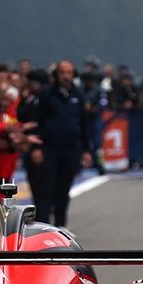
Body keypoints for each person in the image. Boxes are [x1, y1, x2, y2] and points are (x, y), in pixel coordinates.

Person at [30, 60, 93, 227]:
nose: (66, 76)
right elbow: (36, 121)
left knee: (63, 190)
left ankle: (61, 226)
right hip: (49, 148)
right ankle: (42, 227)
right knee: (46, 189)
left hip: (71, 149)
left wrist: (87, 150)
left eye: (69, 72)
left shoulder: (78, 95)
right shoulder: (46, 94)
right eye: (62, 72)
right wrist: (36, 147)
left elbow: (84, 124)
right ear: (56, 75)